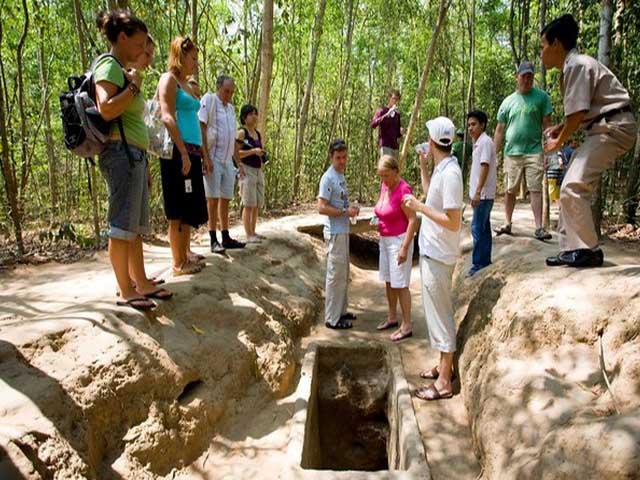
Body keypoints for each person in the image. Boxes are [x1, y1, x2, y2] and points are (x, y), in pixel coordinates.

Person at [541, 14, 637, 268]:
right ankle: (570, 249)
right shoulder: (573, 67)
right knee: (567, 186)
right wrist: (563, 127)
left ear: (556, 44)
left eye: (543, 46)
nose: (542, 53)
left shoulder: (578, 65)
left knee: (573, 186)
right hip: (602, 126)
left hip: (613, 127)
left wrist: (559, 141)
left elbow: (579, 114)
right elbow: (582, 113)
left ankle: (589, 251)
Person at [94, 10, 172, 311]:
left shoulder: (124, 71)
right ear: (123, 38)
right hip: (119, 153)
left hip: (134, 154)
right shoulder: (109, 66)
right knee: (121, 224)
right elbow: (106, 108)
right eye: (139, 45)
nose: (143, 51)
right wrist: (134, 87)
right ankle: (125, 288)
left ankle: (140, 282)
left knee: (135, 225)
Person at [402, 117, 463, 401]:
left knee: (440, 317)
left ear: (432, 141)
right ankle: (442, 366)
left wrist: (418, 207)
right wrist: (424, 164)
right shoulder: (442, 168)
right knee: (435, 313)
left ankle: (444, 383)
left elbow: (452, 221)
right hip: (432, 251)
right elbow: (430, 194)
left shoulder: (451, 174)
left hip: (439, 253)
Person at [158, 36, 209, 275]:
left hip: (192, 151)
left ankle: (185, 255)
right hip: (178, 152)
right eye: (193, 58)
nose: (195, 63)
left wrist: (198, 154)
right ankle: (177, 263)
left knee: (188, 207)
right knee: (177, 209)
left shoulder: (186, 84)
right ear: (180, 55)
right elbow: (167, 117)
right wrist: (183, 153)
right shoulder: (168, 80)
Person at [493, 61, 553, 241]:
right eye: (523, 76)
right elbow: (499, 129)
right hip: (511, 152)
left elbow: (547, 126)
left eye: (530, 76)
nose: (527, 80)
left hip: (534, 151)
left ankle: (539, 227)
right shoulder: (508, 101)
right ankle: (507, 223)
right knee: (510, 189)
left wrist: (551, 151)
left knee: (535, 188)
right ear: (517, 77)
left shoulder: (542, 98)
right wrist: (493, 154)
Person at [373, 155, 417, 342]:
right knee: (389, 281)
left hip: (399, 240)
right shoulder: (385, 186)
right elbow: (383, 208)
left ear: (396, 172)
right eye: (381, 176)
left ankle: (407, 325)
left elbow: (413, 220)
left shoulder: (404, 190)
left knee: (400, 284)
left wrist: (404, 248)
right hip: (384, 239)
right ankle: (392, 317)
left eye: (387, 176)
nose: (384, 180)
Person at [199, 75, 245, 253]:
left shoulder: (231, 109)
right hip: (213, 158)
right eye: (227, 91)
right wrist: (206, 157)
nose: (229, 95)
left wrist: (238, 162)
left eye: (232, 92)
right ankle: (212, 238)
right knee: (213, 199)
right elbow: (201, 127)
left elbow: (232, 138)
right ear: (219, 88)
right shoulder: (209, 100)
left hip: (227, 161)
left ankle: (225, 236)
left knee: (226, 198)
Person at [318, 139, 359, 330]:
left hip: (343, 230)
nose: (342, 161)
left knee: (343, 274)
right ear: (331, 157)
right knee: (335, 275)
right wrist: (345, 213)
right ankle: (332, 318)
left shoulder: (340, 175)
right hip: (334, 232)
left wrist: (349, 209)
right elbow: (322, 207)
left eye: (344, 157)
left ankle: (341, 311)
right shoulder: (328, 178)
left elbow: (340, 202)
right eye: (338, 158)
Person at [467, 110, 497, 276]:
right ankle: (484, 261)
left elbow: (485, 166)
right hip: (482, 194)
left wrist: (478, 192)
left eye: (474, 124)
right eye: (469, 125)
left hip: (484, 194)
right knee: (484, 228)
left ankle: (478, 264)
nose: (470, 128)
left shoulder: (485, 142)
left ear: (482, 125)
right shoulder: (479, 142)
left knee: (477, 228)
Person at [236, 104, 266, 244]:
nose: (254, 117)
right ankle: (248, 234)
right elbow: (235, 152)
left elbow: (260, 150)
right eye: (251, 114)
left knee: (256, 204)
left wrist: (261, 157)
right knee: (248, 203)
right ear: (244, 117)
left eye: (256, 113)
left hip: (258, 170)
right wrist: (253, 152)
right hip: (246, 169)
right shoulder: (242, 133)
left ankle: (253, 231)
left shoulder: (257, 133)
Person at [370, 89, 404, 158]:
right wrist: (387, 114)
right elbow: (373, 124)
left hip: (395, 147)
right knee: (387, 168)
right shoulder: (382, 111)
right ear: (389, 98)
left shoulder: (397, 114)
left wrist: (401, 132)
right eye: (394, 98)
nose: (395, 101)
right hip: (385, 146)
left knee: (394, 168)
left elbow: (397, 134)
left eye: (397, 99)